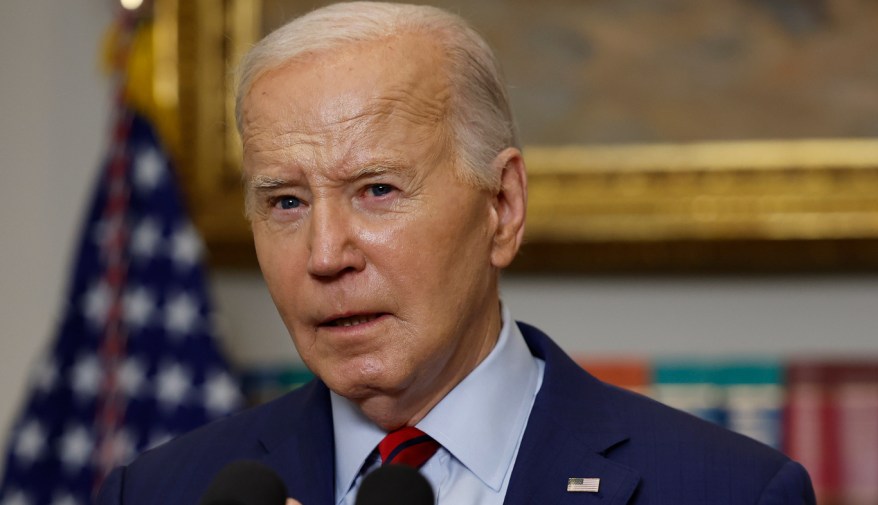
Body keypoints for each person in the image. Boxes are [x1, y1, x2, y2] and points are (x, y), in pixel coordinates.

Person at [97, 2, 816, 504]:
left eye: (376, 189)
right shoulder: (159, 491)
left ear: (502, 207)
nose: (324, 254)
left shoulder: (724, 489)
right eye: (285, 201)